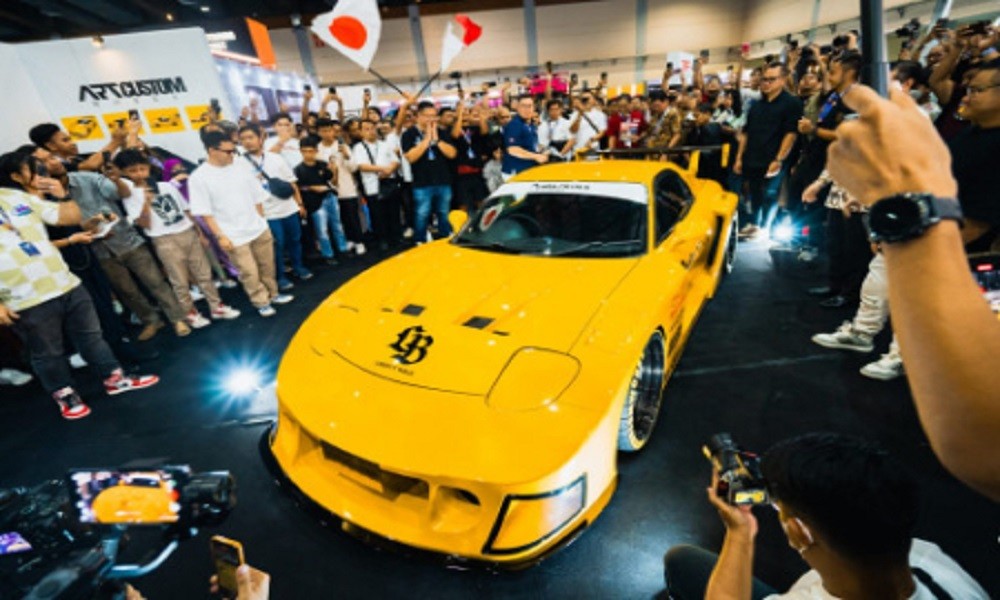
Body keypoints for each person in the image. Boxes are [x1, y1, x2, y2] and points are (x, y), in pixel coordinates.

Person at [828, 82, 1000, 501]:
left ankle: (898, 355)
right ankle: (872, 337)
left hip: (959, 247)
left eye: (980, 87)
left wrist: (912, 212)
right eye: (969, 85)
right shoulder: (968, 136)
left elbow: (985, 449)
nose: (968, 94)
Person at [663, 433, 988, 599]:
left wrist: (739, 532)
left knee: (681, 562)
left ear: (799, 532)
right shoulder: (929, 558)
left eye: (779, 509)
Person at [0, 153, 158, 420]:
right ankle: (66, 395)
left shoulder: (14, 197)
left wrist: (62, 195)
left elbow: (67, 217)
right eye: (32, 170)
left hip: (65, 282)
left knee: (92, 337)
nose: (39, 175)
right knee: (48, 352)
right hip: (24, 297)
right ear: (16, 175)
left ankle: (114, 378)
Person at [47, 143, 191, 340]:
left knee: (156, 282)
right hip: (98, 250)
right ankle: (151, 320)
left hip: (126, 239)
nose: (54, 163)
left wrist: (115, 179)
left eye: (53, 158)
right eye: (47, 162)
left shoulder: (87, 178)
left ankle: (177, 318)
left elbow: (119, 194)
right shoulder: (46, 199)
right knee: (127, 291)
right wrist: (90, 228)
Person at [114, 150, 240, 328]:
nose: (139, 174)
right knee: (179, 280)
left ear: (148, 167)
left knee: (204, 273)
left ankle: (216, 306)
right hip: (164, 240)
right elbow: (143, 224)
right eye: (133, 171)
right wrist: (145, 202)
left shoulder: (166, 186)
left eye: (142, 168)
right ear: (124, 173)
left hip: (187, 232)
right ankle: (191, 313)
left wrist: (200, 233)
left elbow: (186, 210)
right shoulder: (130, 196)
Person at [188, 131, 293, 318]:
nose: (232, 155)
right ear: (211, 150)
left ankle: (273, 293)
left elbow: (257, 195)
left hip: (258, 227)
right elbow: (205, 212)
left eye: (234, 150)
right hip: (233, 235)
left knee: (267, 266)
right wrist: (220, 236)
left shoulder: (240, 166)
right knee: (249, 272)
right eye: (228, 151)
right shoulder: (199, 177)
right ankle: (261, 301)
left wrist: (261, 220)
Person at [239, 123, 312, 291]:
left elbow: (292, 182)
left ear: (261, 138)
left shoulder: (275, 158)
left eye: (250, 137)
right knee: (276, 245)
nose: (247, 142)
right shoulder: (239, 164)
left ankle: (298, 267)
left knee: (295, 240)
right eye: (243, 139)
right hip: (267, 213)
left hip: (288, 208)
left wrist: (299, 203)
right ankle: (280, 276)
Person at [733, 62, 803, 237]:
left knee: (770, 193)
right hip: (753, 156)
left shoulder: (792, 103)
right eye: (764, 79)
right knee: (754, 193)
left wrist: (779, 159)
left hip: (775, 157)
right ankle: (756, 224)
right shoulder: (756, 105)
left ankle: (764, 227)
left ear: (783, 80)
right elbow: (746, 133)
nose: (766, 83)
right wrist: (739, 158)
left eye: (771, 79)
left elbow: (791, 134)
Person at [947, 60, 1000, 253]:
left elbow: (978, 222)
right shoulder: (971, 133)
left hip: (969, 253)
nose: (966, 98)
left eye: (976, 91)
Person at [401, 101, 457, 244]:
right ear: (418, 116)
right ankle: (420, 239)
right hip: (422, 181)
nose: (431, 119)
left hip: (443, 179)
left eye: (434, 116)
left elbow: (452, 154)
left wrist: (437, 141)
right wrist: (426, 140)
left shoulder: (441, 132)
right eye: (428, 116)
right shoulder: (409, 134)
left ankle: (445, 236)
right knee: (422, 213)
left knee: (444, 211)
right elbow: (411, 157)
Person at [295, 135, 347, 265]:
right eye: (305, 151)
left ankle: (343, 249)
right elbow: (297, 187)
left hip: (330, 197)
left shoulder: (322, 164)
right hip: (315, 203)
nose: (308, 154)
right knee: (322, 231)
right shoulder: (298, 169)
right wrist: (312, 188)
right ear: (300, 151)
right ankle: (328, 254)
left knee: (337, 225)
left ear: (316, 151)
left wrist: (334, 170)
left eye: (311, 151)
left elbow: (332, 181)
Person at [317, 118, 365, 255]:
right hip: (330, 191)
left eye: (329, 130)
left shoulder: (342, 146)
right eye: (323, 131)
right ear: (318, 132)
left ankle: (359, 241)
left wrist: (346, 156)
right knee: (340, 219)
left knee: (352, 217)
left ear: (333, 131)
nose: (327, 134)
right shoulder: (318, 149)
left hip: (347, 188)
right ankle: (349, 240)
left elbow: (354, 168)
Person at [352, 120, 402, 250]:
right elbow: (362, 166)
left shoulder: (384, 144)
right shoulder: (359, 147)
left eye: (372, 128)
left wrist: (389, 170)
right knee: (378, 215)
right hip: (372, 186)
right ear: (361, 132)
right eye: (366, 129)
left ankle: (396, 238)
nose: (371, 131)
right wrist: (383, 169)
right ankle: (382, 239)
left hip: (389, 183)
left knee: (393, 213)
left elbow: (395, 161)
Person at [450, 93, 491, 213]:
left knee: (481, 202)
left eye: (467, 112)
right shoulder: (452, 129)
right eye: (462, 112)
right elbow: (455, 135)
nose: (465, 114)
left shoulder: (474, 129)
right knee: (463, 204)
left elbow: (485, 131)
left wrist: (480, 113)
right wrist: (460, 114)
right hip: (461, 175)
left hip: (477, 172)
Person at [28, 122, 122, 173]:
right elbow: (91, 165)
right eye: (65, 140)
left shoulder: (78, 158)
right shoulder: (55, 166)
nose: (73, 143)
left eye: (70, 139)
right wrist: (116, 141)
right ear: (51, 146)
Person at [502, 95, 548, 177]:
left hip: (529, 170)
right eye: (523, 106)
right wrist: (536, 156)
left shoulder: (531, 125)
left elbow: (532, 144)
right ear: (517, 108)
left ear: (533, 108)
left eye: (530, 106)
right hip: (516, 172)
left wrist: (544, 150)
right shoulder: (514, 125)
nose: (527, 109)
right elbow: (513, 149)